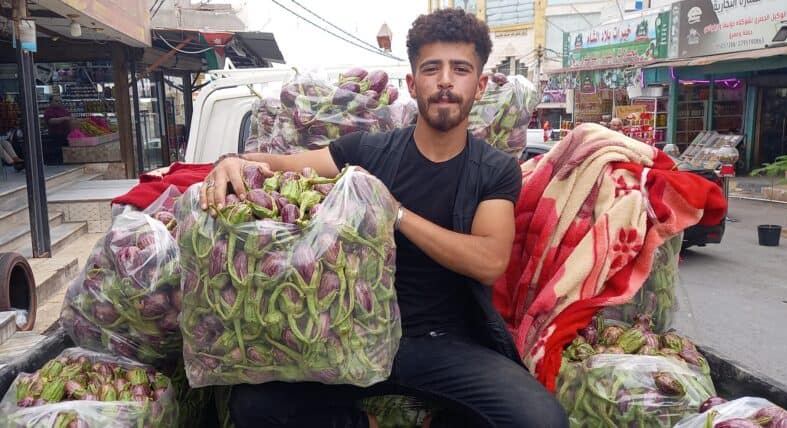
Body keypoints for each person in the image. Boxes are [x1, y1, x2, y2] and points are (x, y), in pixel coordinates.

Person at [200, 9, 568, 428]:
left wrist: (396, 212)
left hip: (441, 344)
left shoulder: (493, 170)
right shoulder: (368, 152)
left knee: (542, 421)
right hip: (352, 336)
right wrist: (233, 162)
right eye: (432, 68)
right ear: (412, 84)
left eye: (460, 69)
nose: (445, 81)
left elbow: (489, 260)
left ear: (479, 86)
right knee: (253, 404)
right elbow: (282, 165)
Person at [42, 93, 73, 164]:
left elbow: (70, 118)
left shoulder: (64, 110)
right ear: (50, 102)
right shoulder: (49, 111)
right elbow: (51, 121)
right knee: (58, 153)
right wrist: (64, 118)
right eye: (56, 101)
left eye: (59, 101)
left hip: (66, 134)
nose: (59, 102)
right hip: (56, 135)